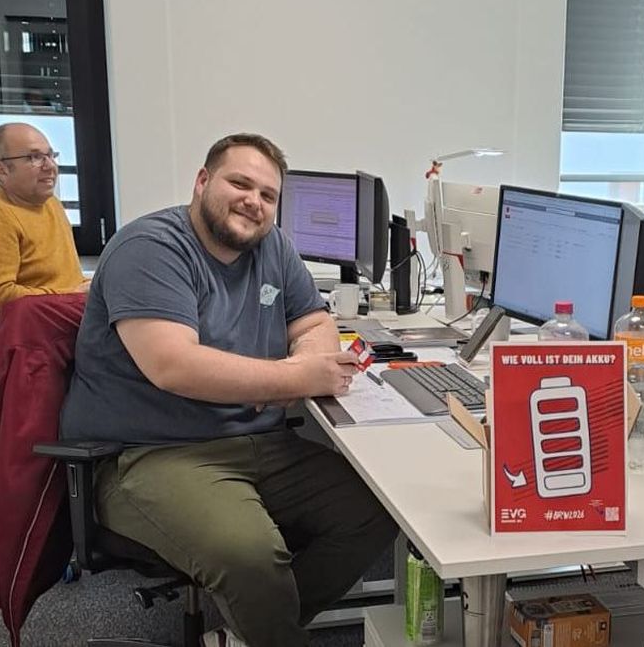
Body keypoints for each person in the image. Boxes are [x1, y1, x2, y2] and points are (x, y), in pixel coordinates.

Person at [60, 133, 398, 647]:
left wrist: (301, 362)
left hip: (262, 443)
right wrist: (293, 378)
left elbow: (314, 322)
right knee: (251, 557)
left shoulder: (273, 246)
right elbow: (173, 366)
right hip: (152, 455)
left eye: (268, 195)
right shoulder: (150, 248)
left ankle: (248, 632)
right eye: (240, 183)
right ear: (202, 181)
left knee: (377, 510)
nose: (253, 201)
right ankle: (266, 628)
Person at [0, 122, 88, 350]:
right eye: (34, 158)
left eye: (51, 155)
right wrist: (70, 294)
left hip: (66, 330)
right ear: (1, 170)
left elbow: (67, 281)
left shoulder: (52, 205)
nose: (50, 166)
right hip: (26, 346)